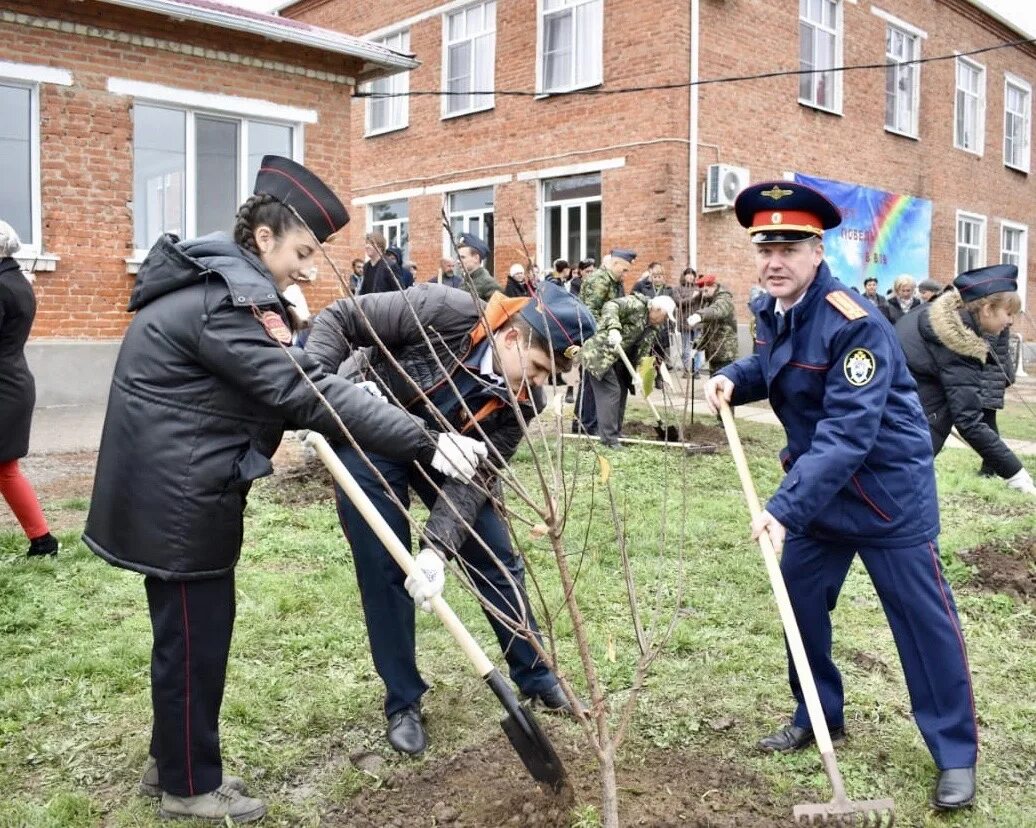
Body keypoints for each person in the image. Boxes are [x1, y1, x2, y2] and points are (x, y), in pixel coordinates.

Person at [82, 157, 488, 823]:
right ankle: (189, 787)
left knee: (185, 637)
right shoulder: (225, 301)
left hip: (176, 485)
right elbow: (300, 388)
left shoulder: (219, 289)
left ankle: (175, 763)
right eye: (301, 252)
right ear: (263, 238)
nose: (307, 269)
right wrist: (422, 438)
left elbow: (283, 380)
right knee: (195, 639)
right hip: (181, 497)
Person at [704, 180, 979, 811]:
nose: (774, 260)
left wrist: (781, 507)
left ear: (818, 249)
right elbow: (777, 365)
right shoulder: (775, 309)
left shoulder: (855, 322)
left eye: (789, 247)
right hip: (821, 495)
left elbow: (847, 434)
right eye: (764, 247)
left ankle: (955, 752)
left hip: (884, 494)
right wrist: (732, 376)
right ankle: (817, 716)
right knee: (798, 600)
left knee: (922, 622)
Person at [305, 282, 595, 755]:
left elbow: (476, 478)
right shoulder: (443, 312)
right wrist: (315, 385)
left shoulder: (524, 402)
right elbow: (340, 316)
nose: (537, 384)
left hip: (455, 460)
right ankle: (404, 702)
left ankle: (536, 674)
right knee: (384, 566)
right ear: (511, 339)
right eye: (539, 368)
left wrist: (437, 549)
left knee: (495, 556)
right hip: (373, 433)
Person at [896, 265, 1033, 495]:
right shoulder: (957, 344)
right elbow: (968, 420)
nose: (1011, 322)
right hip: (902, 437)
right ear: (988, 309)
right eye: (1008, 314)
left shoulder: (936, 314)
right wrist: (1016, 473)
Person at [0, 220, 59, 558]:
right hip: (13, 382)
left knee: (6, 469)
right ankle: (42, 541)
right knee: (6, 470)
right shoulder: (17, 281)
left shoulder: (3, 286)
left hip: (5, 388)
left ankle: (44, 540)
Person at [578, 293, 675, 449]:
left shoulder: (653, 327)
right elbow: (611, 305)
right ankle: (609, 439)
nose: (665, 321)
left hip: (619, 359)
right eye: (665, 316)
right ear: (656, 309)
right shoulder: (636, 304)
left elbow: (643, 351)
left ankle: (615, 431)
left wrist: (639, 373)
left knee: (622, 390)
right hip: (599, 354)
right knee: (612, 392)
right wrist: (614, 328)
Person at [575, 249, 635, 436]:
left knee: (593, 383)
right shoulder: (600, 280)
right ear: (615, 264)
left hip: (605, 340)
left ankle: (587, 424)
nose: (625, 274)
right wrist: (606, 333)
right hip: (594, 338)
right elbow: (590, 312)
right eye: (624, 270)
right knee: (591, 384)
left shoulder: (614, 281)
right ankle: (586, 425)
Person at [685, 274, 738, 374]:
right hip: (714, 354)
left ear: (713, 286)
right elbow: (707, 330)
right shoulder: (709, 301)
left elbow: (716, 310)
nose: (703, 295)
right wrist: (696, 346)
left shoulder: (724, 299)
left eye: (705, 291)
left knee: (723, 385)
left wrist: (699, 315)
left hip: (725, 354)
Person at [456, 233, 499, 300]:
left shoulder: (488, 283)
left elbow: (499, 309)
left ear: (476, 258)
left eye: (462, 257)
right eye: (458, 258)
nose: (458, 261)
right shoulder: (464, 281)